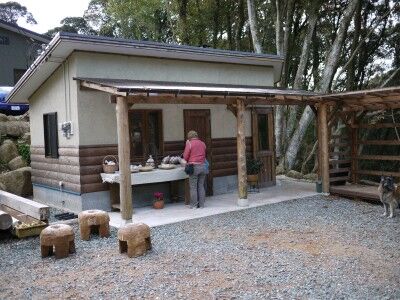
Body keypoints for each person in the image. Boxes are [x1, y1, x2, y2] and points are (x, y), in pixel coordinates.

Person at [183, 130, 207, 208]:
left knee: (193, 187)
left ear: (189, 137)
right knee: (201, 186)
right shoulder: (203, 143)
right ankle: (202, 205)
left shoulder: (189, 143)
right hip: (203, 166)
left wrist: (187, 144)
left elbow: (185, 157)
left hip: (194, 167)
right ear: (196, 136)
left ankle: (194, 205)